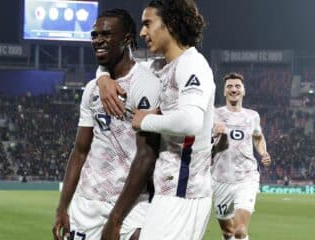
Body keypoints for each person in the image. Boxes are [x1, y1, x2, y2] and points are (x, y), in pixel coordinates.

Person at [98, 1, 215, 239]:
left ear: (170, 24)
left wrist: (146, 121)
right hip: (167, 189)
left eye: (148, 24)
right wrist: (103, 78)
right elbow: (118, 65)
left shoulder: (192, 64)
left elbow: (191, 122)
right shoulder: (158, 66)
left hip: (184, 191)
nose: (142, 33)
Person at [52, 8, 161, 240]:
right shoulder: (92, 88)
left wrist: (116, 218)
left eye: (106, 34)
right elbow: (80, 152)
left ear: (127, 39)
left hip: (131, 203)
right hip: (87, 203)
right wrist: (63, 207)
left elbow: (146, 156)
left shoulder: (146, 84)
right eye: (94, 35)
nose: (98, 40)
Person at [211, 72, 271, 240]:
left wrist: (263, 152)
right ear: (224, 92)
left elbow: (258, 137)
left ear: (243, 91)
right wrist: (215, 135)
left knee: (240, 231)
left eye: (237, 86)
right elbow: (206, 147)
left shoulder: (252, 116)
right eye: (229, 86)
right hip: (220, 180)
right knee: (228, 232)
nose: (233, 89)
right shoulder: (214, 115)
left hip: (246, 178)